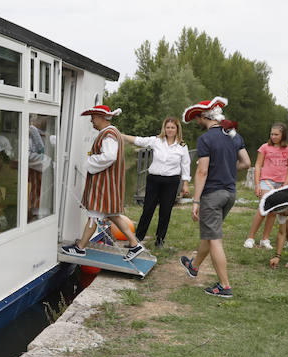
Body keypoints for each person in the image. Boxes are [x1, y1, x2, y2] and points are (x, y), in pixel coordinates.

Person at [178, 98, 251, 298]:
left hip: (212, 195)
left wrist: (195, 201)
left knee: (215, 239)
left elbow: (202, 172)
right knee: (210, 234)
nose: (196, 123)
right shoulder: (234, 136)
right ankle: (193, 266)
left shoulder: (206, 139)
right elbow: (246, 163)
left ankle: (225, 286)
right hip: (230, 194)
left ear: (204, 117)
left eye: (197, 119)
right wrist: (227, 166)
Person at [61, 104, 145, 261]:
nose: (91, 120)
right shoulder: (112, 133)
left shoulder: (108, 134)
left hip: (104, 184)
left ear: (101, 117)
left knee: (93, 214)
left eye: (93, 117)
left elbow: (109, 156)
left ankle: (80, 248)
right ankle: (135, 244)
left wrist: (90, 161)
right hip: (110, 183)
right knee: (113, 215)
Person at [121, 117, 191, 249]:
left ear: (177, 130)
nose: (170, 130)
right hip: (154, 180)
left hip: (171, 181)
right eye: (167, 127)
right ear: (164, 128)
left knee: (165, 211)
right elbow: (139, 140)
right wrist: (121, 135)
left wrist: (185, 184)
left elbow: (185, 165)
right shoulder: (156, 141)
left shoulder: (182, 146)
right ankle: (137, 238)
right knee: (148, 209)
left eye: (172, 127)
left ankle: (160, 240)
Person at [243, 123, 288, 250]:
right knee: (263, 208)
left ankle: (265, 239)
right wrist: (257, 185)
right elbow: (258, 166)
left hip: (281, 183)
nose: (273, 136)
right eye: (272, 134)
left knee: (273, 211)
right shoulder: (264, 147)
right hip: (266, 181)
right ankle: (250, 238)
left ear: (283, 135)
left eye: (276, 134)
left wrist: (285, 185)